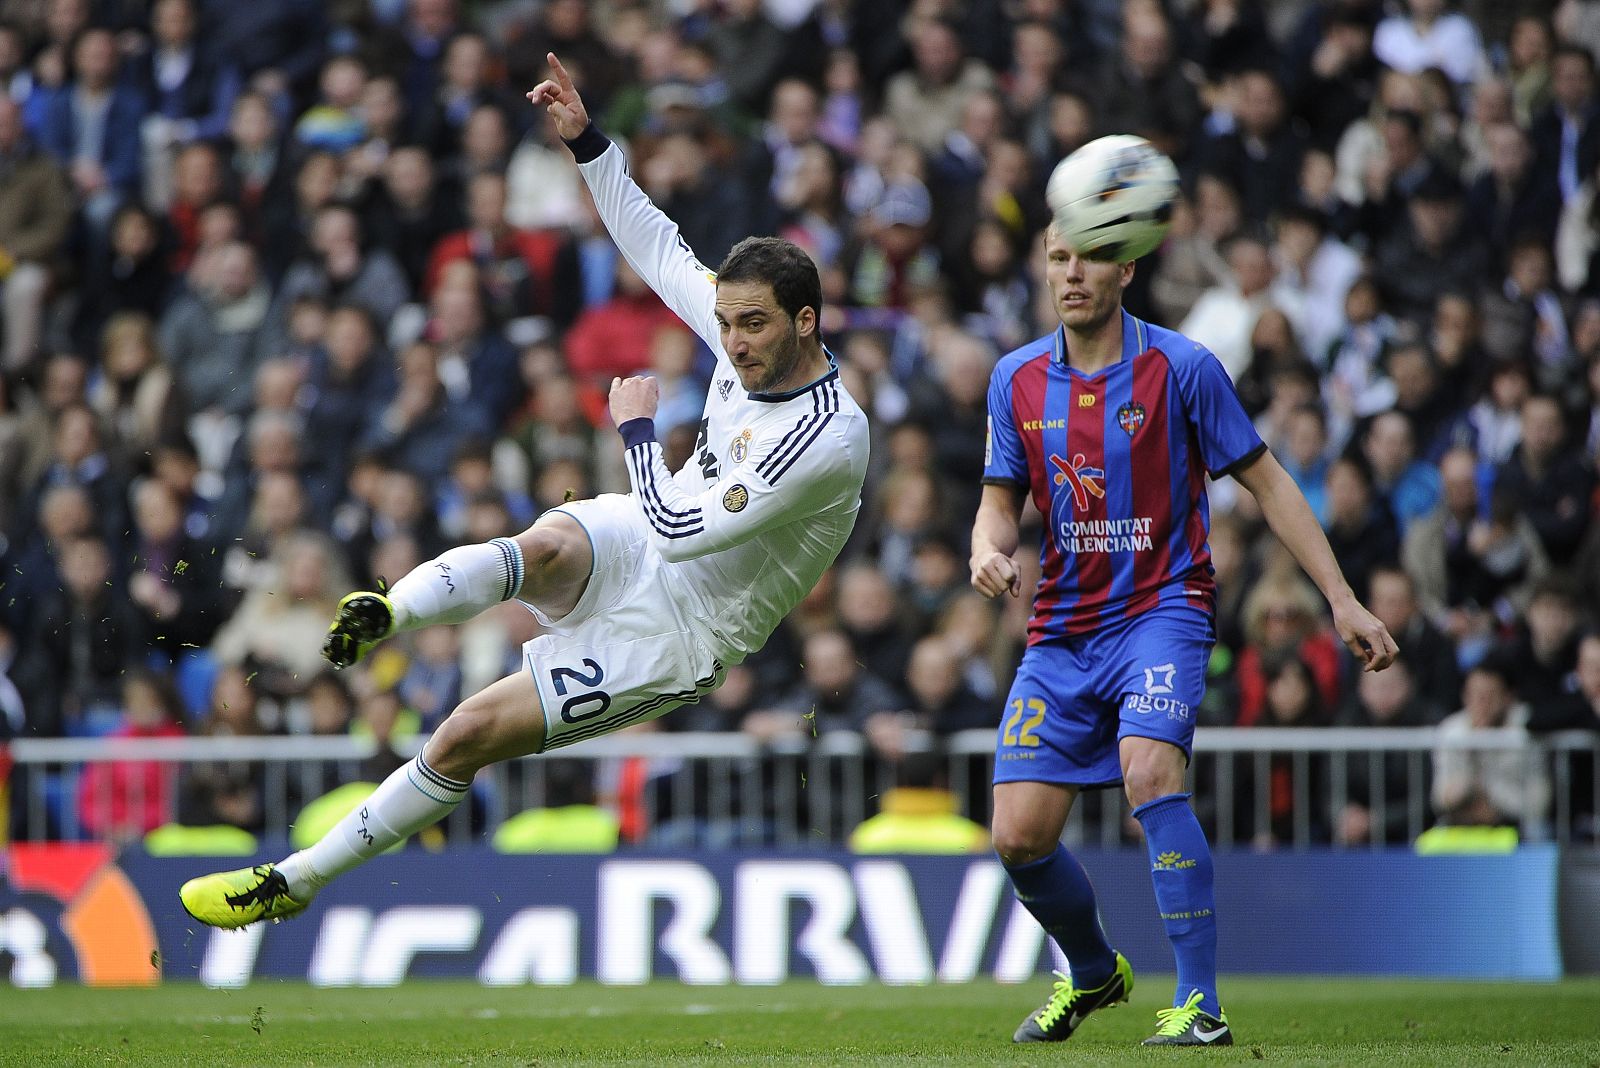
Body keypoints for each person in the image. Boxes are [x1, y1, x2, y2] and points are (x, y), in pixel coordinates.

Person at [178, 52, 869, 929]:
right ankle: (391, 612)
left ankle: (291, 882)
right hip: (646, 538)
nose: (731, 342)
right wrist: (587, 142)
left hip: (681, 630)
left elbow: (686, 528)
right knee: (543, 547)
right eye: (725, 322)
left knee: (464, 733)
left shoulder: (824, 437)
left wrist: (636, 431)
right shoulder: (747, 327)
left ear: (806, 321)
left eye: (753, 326)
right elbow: (655, 243)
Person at [970, 214, 1397, 1046]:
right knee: (1018, 837)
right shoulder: (1015, 379)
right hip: (1061, 629)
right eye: (1058, 258)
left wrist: (1342, 598)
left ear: (1126, 270)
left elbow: (1269, 484)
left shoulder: (1184, 367)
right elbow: (996, 501)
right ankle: (1094, 972)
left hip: (1163, 609)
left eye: (1090, 258)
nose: (1071, 274)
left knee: (1149, 774)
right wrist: (987, 549)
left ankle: (1201, 1003)